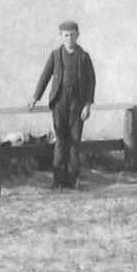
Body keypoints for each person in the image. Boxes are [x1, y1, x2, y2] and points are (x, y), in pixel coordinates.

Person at [28, 20, 96, 189]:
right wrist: (35, 98)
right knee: (61, 141)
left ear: (78, 35)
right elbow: (45, 76)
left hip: (77, 106)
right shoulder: (56, 55)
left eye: (73, 35)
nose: (69, 38)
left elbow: (91, 82)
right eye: (66, 35)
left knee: (74, 142)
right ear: (61, 36)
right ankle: (58, 181)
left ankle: (73, 181)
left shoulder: (83, 57)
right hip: (59, 104)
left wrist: (87, 105)